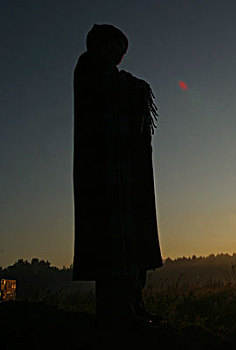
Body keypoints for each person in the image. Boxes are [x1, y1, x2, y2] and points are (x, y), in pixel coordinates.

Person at [73, 24, 163, 328]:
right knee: (114, 245)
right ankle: (117, 313)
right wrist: (138, 87)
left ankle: (133, 306)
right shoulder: (90, 69)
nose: (121, 56)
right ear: (103, 45)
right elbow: (117, 90)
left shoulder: (104, 74)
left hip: (123, 173)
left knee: (132, 241)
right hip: (106, 176)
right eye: (117, 48)